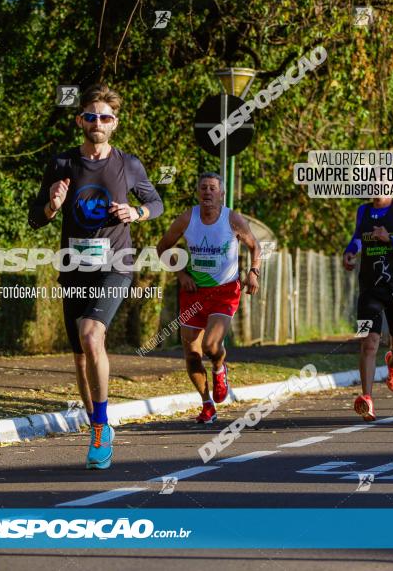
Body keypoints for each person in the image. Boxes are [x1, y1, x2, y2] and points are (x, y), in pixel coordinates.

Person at [28, 83, 163, 469]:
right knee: (80, 357)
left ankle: (101, 427)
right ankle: (96, 423)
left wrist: (136, 214)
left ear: (115, 123)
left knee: (92, 336)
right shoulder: (61, 164)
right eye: (91, 116)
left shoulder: (128, 164)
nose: (98, 122)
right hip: (73, 267)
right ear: (80, 120)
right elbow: (35, 218)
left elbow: (156, 202)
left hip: (115, 264)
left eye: (105, 117)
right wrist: (53, 206)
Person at [156, 172, 260, 424]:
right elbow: (162, 247)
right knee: (191, 353)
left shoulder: (231, 218)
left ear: (221, 194)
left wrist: (254, 272)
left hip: (224, 290)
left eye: (213, 188)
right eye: (203, 187)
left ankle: (219, 367)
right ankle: (207, 404)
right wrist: (181, 274)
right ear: (197, 193)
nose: (208, 192)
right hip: (193, 292)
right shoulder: (187, 218)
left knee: (210, 347)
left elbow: (255, 246)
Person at [342, 197, 393, 421]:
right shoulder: (363, 210)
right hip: (368, 291)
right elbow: (358, 238)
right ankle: (367, 399)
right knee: (367, 342)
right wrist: (350, 251)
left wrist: (391, 239)